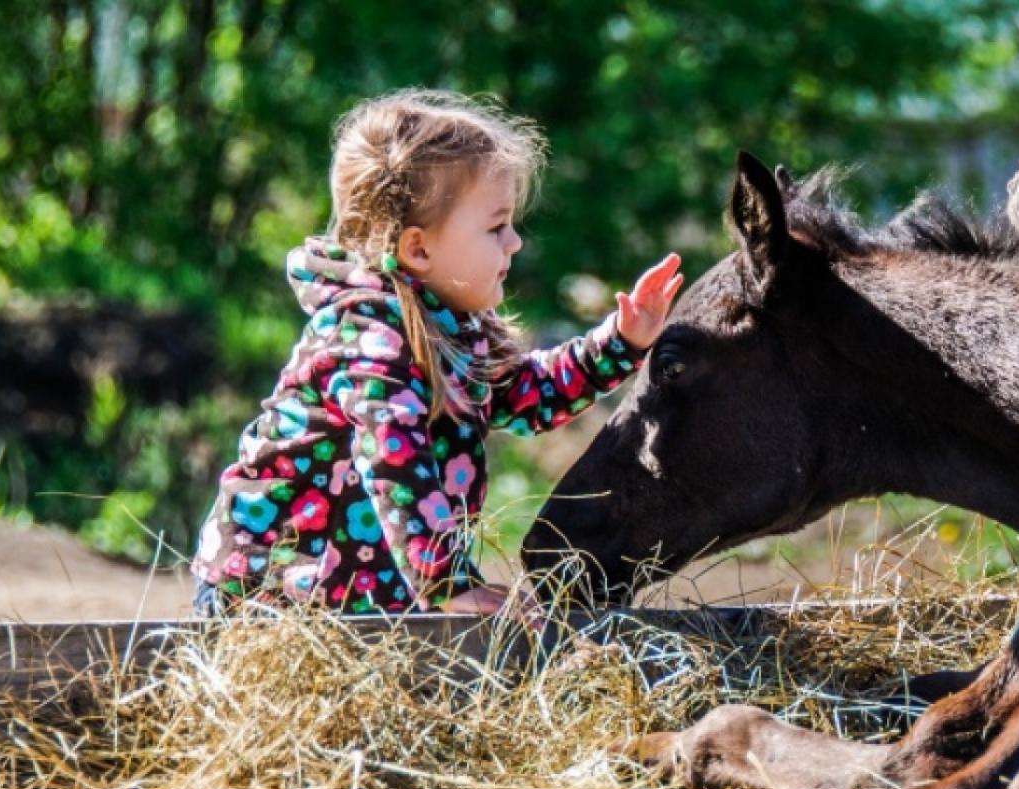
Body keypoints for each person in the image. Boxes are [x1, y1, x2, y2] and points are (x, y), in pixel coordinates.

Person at [191, 88, 682, 619]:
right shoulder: (367, 334)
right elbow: (392, 456)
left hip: (353, 604)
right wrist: (445, 582)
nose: (514, 242)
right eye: (496, 227)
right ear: (418, 249)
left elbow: (527, 395)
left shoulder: (454, 330)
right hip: (269, 593)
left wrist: (620, 341)